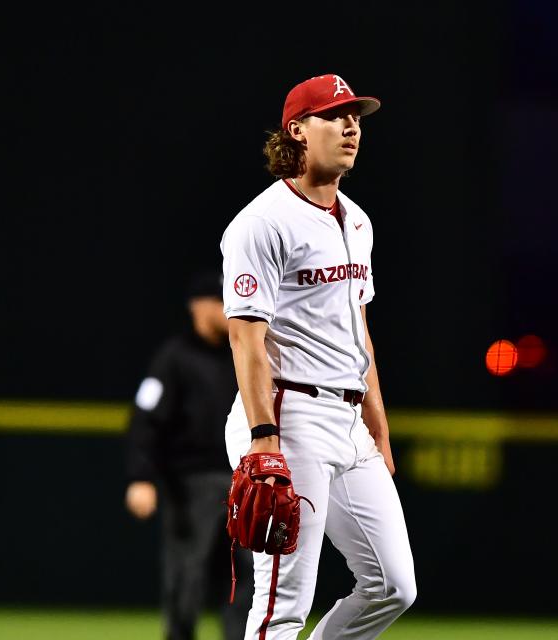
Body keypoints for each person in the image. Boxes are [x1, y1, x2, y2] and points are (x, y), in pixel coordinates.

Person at [219, 73, 417, 639]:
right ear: (298, 130)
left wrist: (378, 427)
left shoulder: (357, 220)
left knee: (392, 585)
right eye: (335, 115)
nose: (351, 126)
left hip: (350, 420)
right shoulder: (261, 222)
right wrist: (263, 439)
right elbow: (246, 338)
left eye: (355, 116)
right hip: (289, 415)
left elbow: (358, 328)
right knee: (283, 605)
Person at [124, 270, 253, 640]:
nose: (228, 308)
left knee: (247, 580)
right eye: (219, 301)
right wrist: (140, 477)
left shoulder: (243, 355)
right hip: (191, 485)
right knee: (186, 579)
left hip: (243, 483)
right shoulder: (174, 358)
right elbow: (145, 421)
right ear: (198, 306)